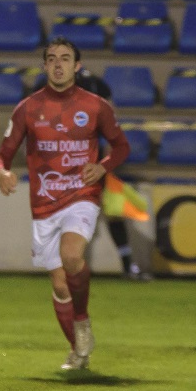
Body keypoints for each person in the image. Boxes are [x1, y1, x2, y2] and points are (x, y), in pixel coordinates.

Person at [0, 37, 131, 371]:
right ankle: (78, 351)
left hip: (82, 194)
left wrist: (102, 167)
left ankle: (82, 322)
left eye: (65, 58)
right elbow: (3, 154)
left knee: (72, 257)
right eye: (52, 58)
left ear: (77, 66)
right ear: (44, 66)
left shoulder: (96, 106)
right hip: (43, 203)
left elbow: (122, 147)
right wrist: (0, 172)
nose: (58, 64)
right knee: (59, 284)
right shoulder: (28, 108)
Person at [33, 69, 152, 281]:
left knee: (104, 214)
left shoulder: (71, 87)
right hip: (72, 161)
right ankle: (121, 266)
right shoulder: (92, 87)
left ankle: (123, 265)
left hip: (84, 162)